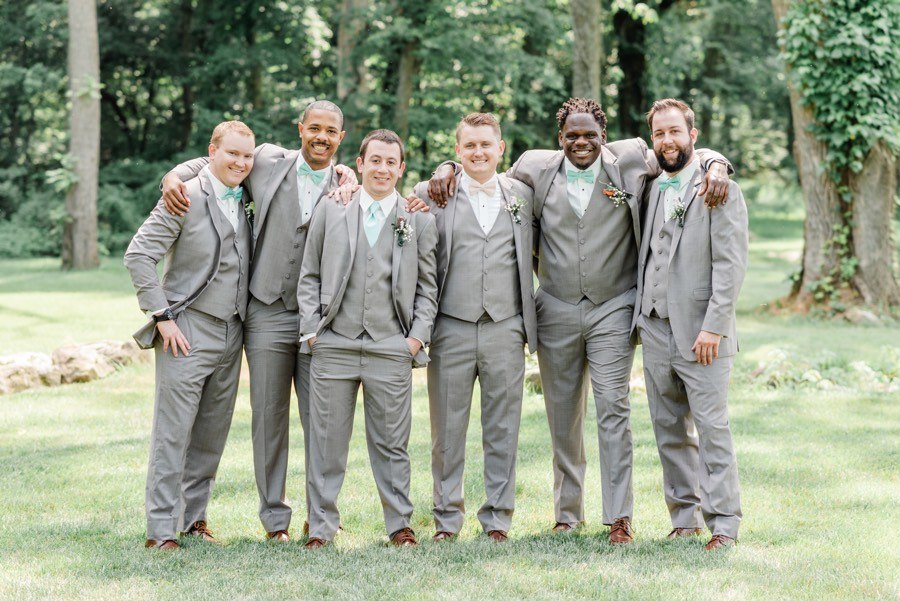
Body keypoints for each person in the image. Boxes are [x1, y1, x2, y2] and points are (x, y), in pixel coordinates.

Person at [429, 98, 732, 543]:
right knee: (562, 413)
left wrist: (717, 162)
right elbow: (483, 173)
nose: (582, 142)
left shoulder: (630, 160)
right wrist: (446, 167)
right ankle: (568, 512)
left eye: (590, 134)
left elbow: (679, 151)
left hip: (613, 306)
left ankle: (619, 517)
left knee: (613, 408)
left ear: (604, 137)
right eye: (572, 135)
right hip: (554, 308)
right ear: (560, 139)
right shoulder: (534, 168)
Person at [160, 101, 351, 541]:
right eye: (314, 128)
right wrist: (173, 176)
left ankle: (321, 519)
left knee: (323, 420)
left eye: (331, 131)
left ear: (341, 138)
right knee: (268, 418)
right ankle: (275, 521)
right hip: (265, 311)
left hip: (321, 320)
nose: (321, 136)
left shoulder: (347, 186)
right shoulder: (266, 159)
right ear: (300, 129)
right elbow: (213, 160)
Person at [297, 129, 439, 548]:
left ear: (401, 169)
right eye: (374, 160)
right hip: (334, 343)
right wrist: (311, 332)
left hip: (391, 345)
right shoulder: (331, 209)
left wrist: (414, 340)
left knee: (393, 443)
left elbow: (429, 288)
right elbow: (309, 275)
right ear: (359, 164)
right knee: (326, 442)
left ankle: (399, 526)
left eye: (390, 162)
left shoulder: (419, 218)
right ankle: (321, 528)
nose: (382, 168)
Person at [125, 120, 255, 550]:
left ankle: (194, 518)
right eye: (231, 153)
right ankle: (161, 530)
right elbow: (139, 254)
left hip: (233, 331)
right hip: (188, 327)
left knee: (211, 433)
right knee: (173, 431)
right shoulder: (183, 195)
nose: (240, 162)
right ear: (212, 152)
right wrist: (162, 316)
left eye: (246, 155)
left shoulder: (250, 191)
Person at [409, 113, 536, 542]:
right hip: (450, 327)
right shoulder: (431, 194)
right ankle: (447, 520)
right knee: (446, 432)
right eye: (470, 146)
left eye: (487, 144)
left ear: (502, 148)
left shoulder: (523, 194)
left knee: (503, 429)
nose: (479, 152)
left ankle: (498, 519)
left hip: (505, 327)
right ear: (457, 151)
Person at [633, 98, 747, 550]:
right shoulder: (647, 185)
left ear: (693, 137)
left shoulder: (719, 189)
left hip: (703, 333)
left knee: (712, 429)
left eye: (675, 132)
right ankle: (684, 517)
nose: (667, 141)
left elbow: (731, 266)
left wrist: (714, 328)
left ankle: (723, 524)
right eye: (659, 133)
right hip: (656, 327)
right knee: (669, 430)